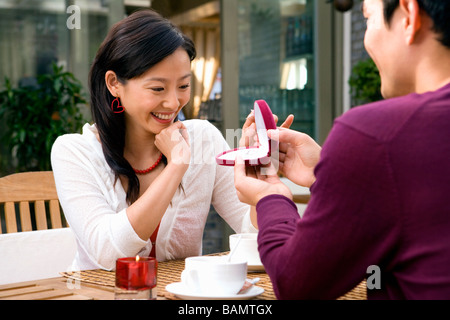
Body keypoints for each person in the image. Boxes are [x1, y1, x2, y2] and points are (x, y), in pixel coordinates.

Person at [234, 0, 450, 299]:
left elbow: (296, 283)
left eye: (368, 18)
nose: (366, 38)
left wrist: (270, 197)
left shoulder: (377, 134)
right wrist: (329, 174)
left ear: (408, 16)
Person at [51, 10, 258, 271]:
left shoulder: (204, 139)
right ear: (114, 83)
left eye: (183, 86)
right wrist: (176, 167)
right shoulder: (74, 152)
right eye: (157, 88)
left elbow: (257, 238)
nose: (174, 103)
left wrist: (258, 179)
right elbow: (108, 252)